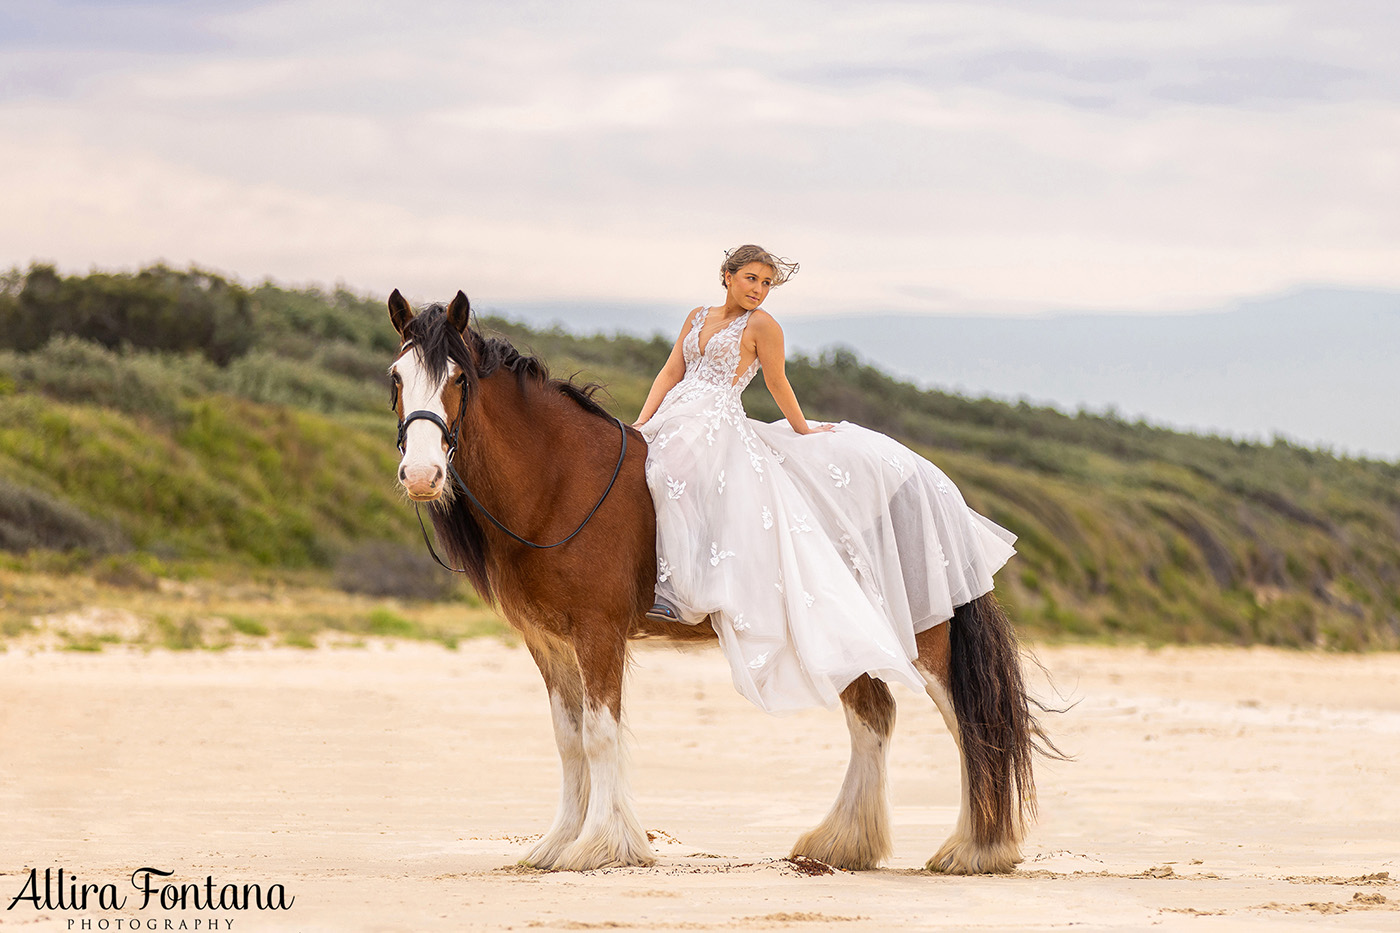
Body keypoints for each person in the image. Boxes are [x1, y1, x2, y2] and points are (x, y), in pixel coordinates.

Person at [634, 245, 1017, 714]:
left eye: (767, 283)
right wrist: (642, 421)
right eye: (751, 279)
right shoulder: (697, 316)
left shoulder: (762, 326)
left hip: (715, 420)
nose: (759, 290)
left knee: (676, 475)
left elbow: (777, 381)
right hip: (677, 412)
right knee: (642, 468)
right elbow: (673, 369)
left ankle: (676, 591)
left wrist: (801, 430)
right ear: (727, 276)